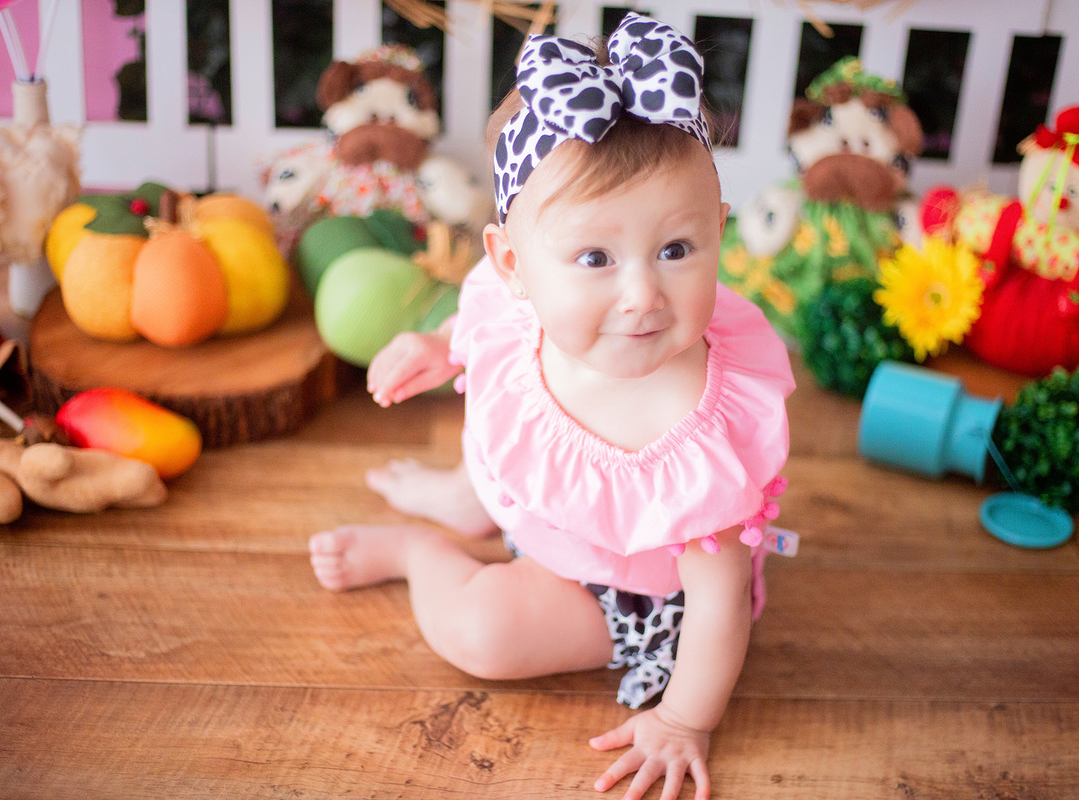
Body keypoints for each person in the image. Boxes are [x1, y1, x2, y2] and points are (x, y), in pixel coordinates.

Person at [309, 14, 794, 800]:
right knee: (499, 422)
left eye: (676, 249)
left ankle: (417, 554)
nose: (641, 294)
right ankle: (470, 500)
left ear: (718, 230)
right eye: (595, 257)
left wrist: (684, 719)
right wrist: (442, 347)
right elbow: (482, 334)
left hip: (627, 593)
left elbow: (720, 602)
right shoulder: (522, 309)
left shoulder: (702, 440)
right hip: (544, 512)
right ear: (514, 265)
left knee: (485, 635)